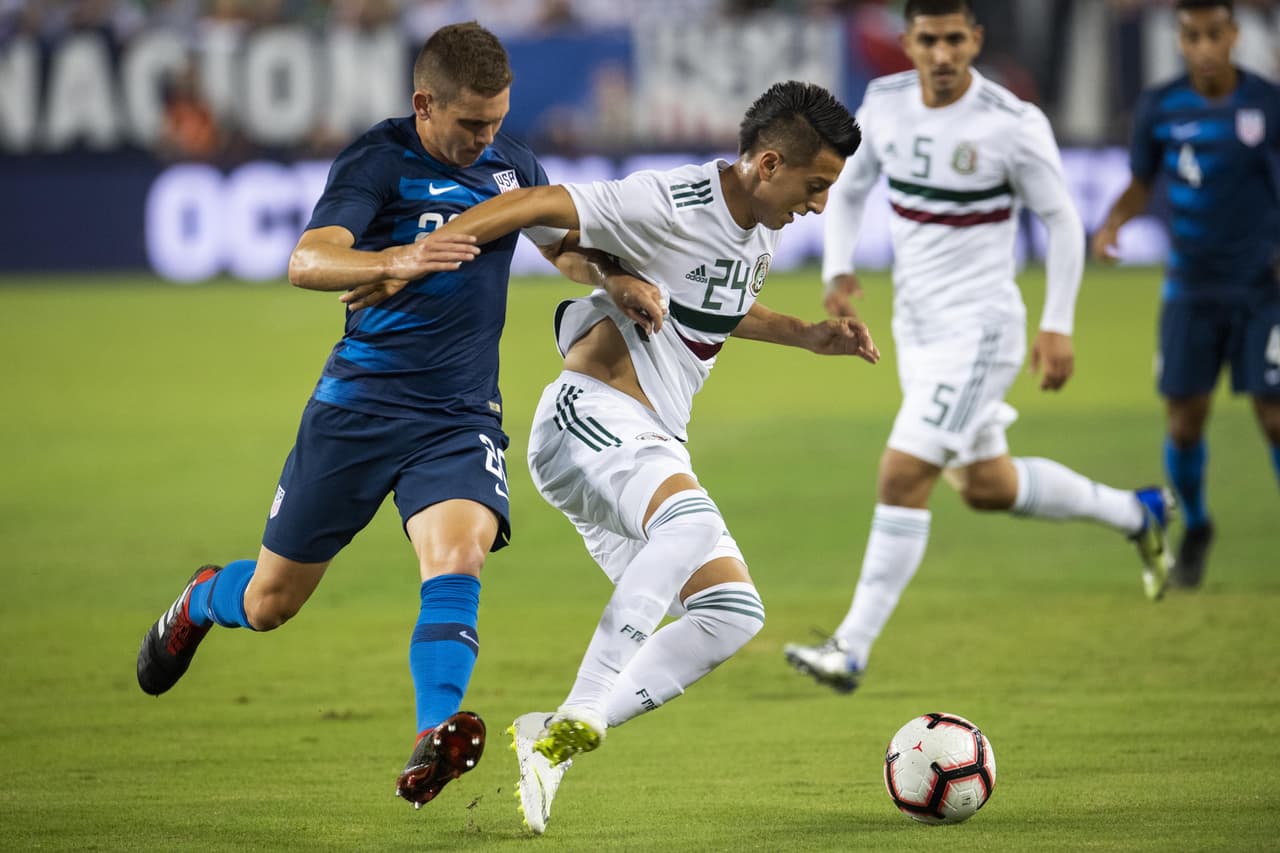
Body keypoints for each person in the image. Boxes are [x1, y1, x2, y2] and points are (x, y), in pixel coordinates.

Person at [347, 80, 875, 833]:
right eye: (815, 186)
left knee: (730, 612)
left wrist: (808, 334)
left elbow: (717, 304)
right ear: (767, 164)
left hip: (644, 439)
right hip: (587, 416)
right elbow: (538, 204)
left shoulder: (758, 227)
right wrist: (420, 253)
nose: (819, 205)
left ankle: (553, 739)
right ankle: (588, 706)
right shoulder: (671, 199)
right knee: (688, 526)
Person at [135, 22, 624, 810]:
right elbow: (308, 258)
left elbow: (555, 242)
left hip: (458, 414)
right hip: (357, 409)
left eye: (497, 120)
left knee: (459, 553)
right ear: (423, 103)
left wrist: (610, 276)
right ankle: (199, 598)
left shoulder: (510, 164)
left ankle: (434, 735)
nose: (486, 137)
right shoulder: (379, 160)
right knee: (270, 602)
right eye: (470, 123)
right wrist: (392, 259)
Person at [782, 0, 1175, 696]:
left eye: (953, 39)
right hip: (920, 330)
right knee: (987, 485)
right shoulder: (885, 103)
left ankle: (851, 646)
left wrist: (1057, 323)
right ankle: (1139, 511)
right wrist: (837, 266)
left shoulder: (1012, 123)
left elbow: (1060, 221)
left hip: (983, 330)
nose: (940, 55)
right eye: (927, 40)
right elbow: (849, 187)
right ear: (907, 41)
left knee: (902, 474)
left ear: (975, 40)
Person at [1092, 0, 1280, 589]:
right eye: (1191, 36)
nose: (1202, 46)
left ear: (1233, 36)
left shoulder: (1267, 105)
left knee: (1275, 418)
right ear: (1180, 39)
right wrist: (1114, 222)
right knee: (1183, 425)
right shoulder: (1160, 106)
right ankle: (1197, 524)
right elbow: (1142, 182)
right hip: (1191, 288)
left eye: (1213, 35)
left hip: (1262, 289)